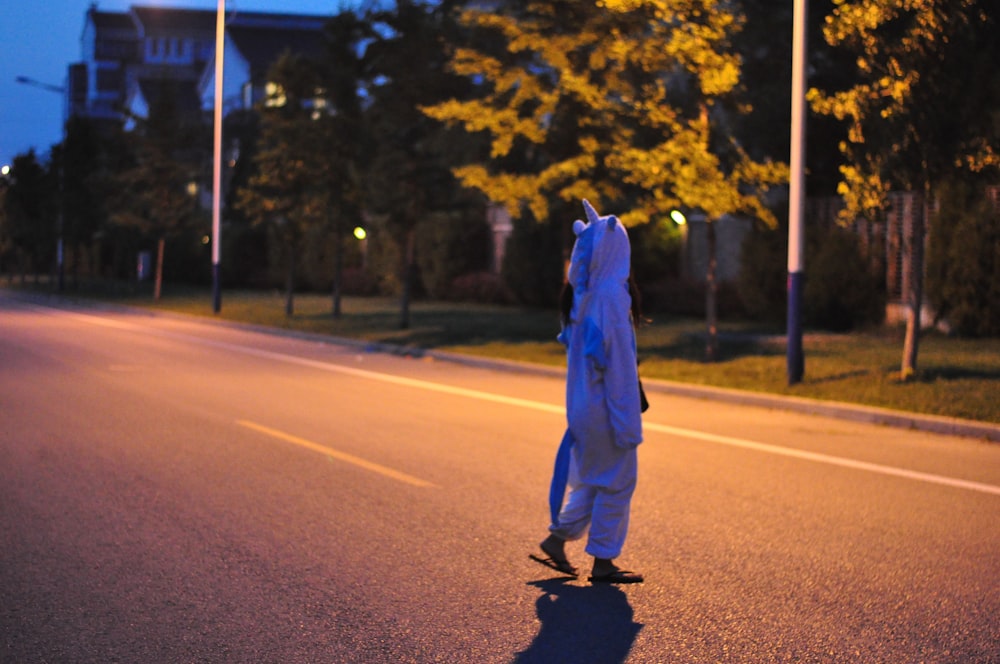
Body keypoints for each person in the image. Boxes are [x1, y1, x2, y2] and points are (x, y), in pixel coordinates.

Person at [530, 199, 645, 584]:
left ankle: (557, 539)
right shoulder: (611, 299)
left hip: (582, 409)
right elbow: (619, 373)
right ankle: (604, 560)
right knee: (618, 481)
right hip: (605, 412)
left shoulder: (582, 297)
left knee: (596, 477)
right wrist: (628, 423)